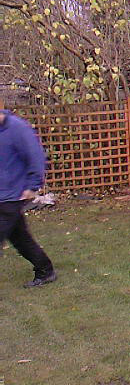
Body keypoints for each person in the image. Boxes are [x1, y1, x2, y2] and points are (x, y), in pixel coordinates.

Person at [0, 109, 56, 287]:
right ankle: (45, 270)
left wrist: (32, 186)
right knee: (19, 237)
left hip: (13, 194)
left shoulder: (17, 128)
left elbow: (36, 156)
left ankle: (46, 270)